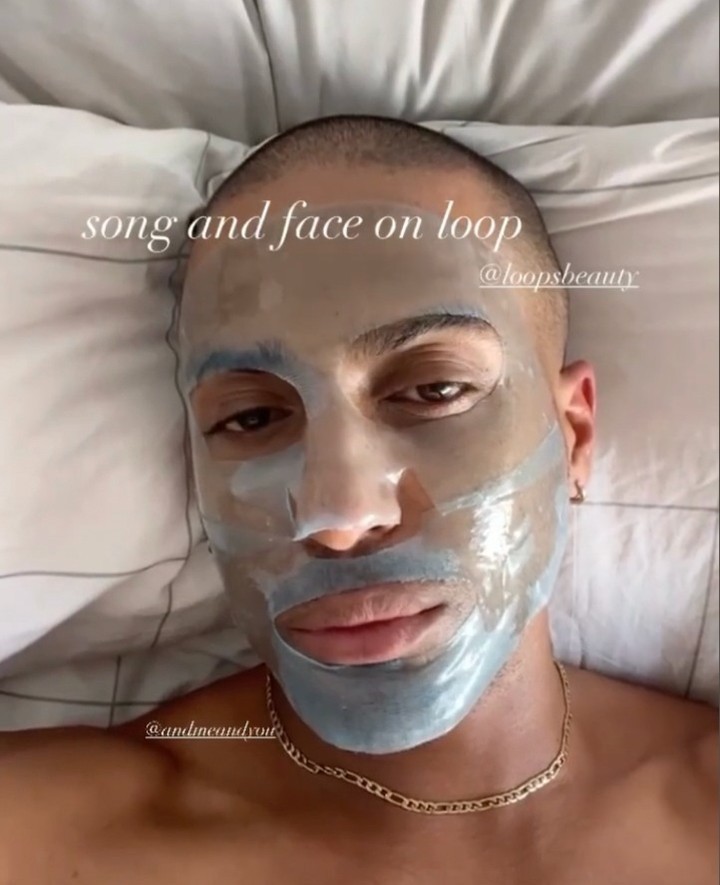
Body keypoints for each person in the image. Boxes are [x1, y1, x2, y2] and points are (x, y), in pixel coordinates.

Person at [0, 115, 716, 885]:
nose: (339, 516)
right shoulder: (38, 835)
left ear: (573, 432)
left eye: (434, 389)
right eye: (252, 417)